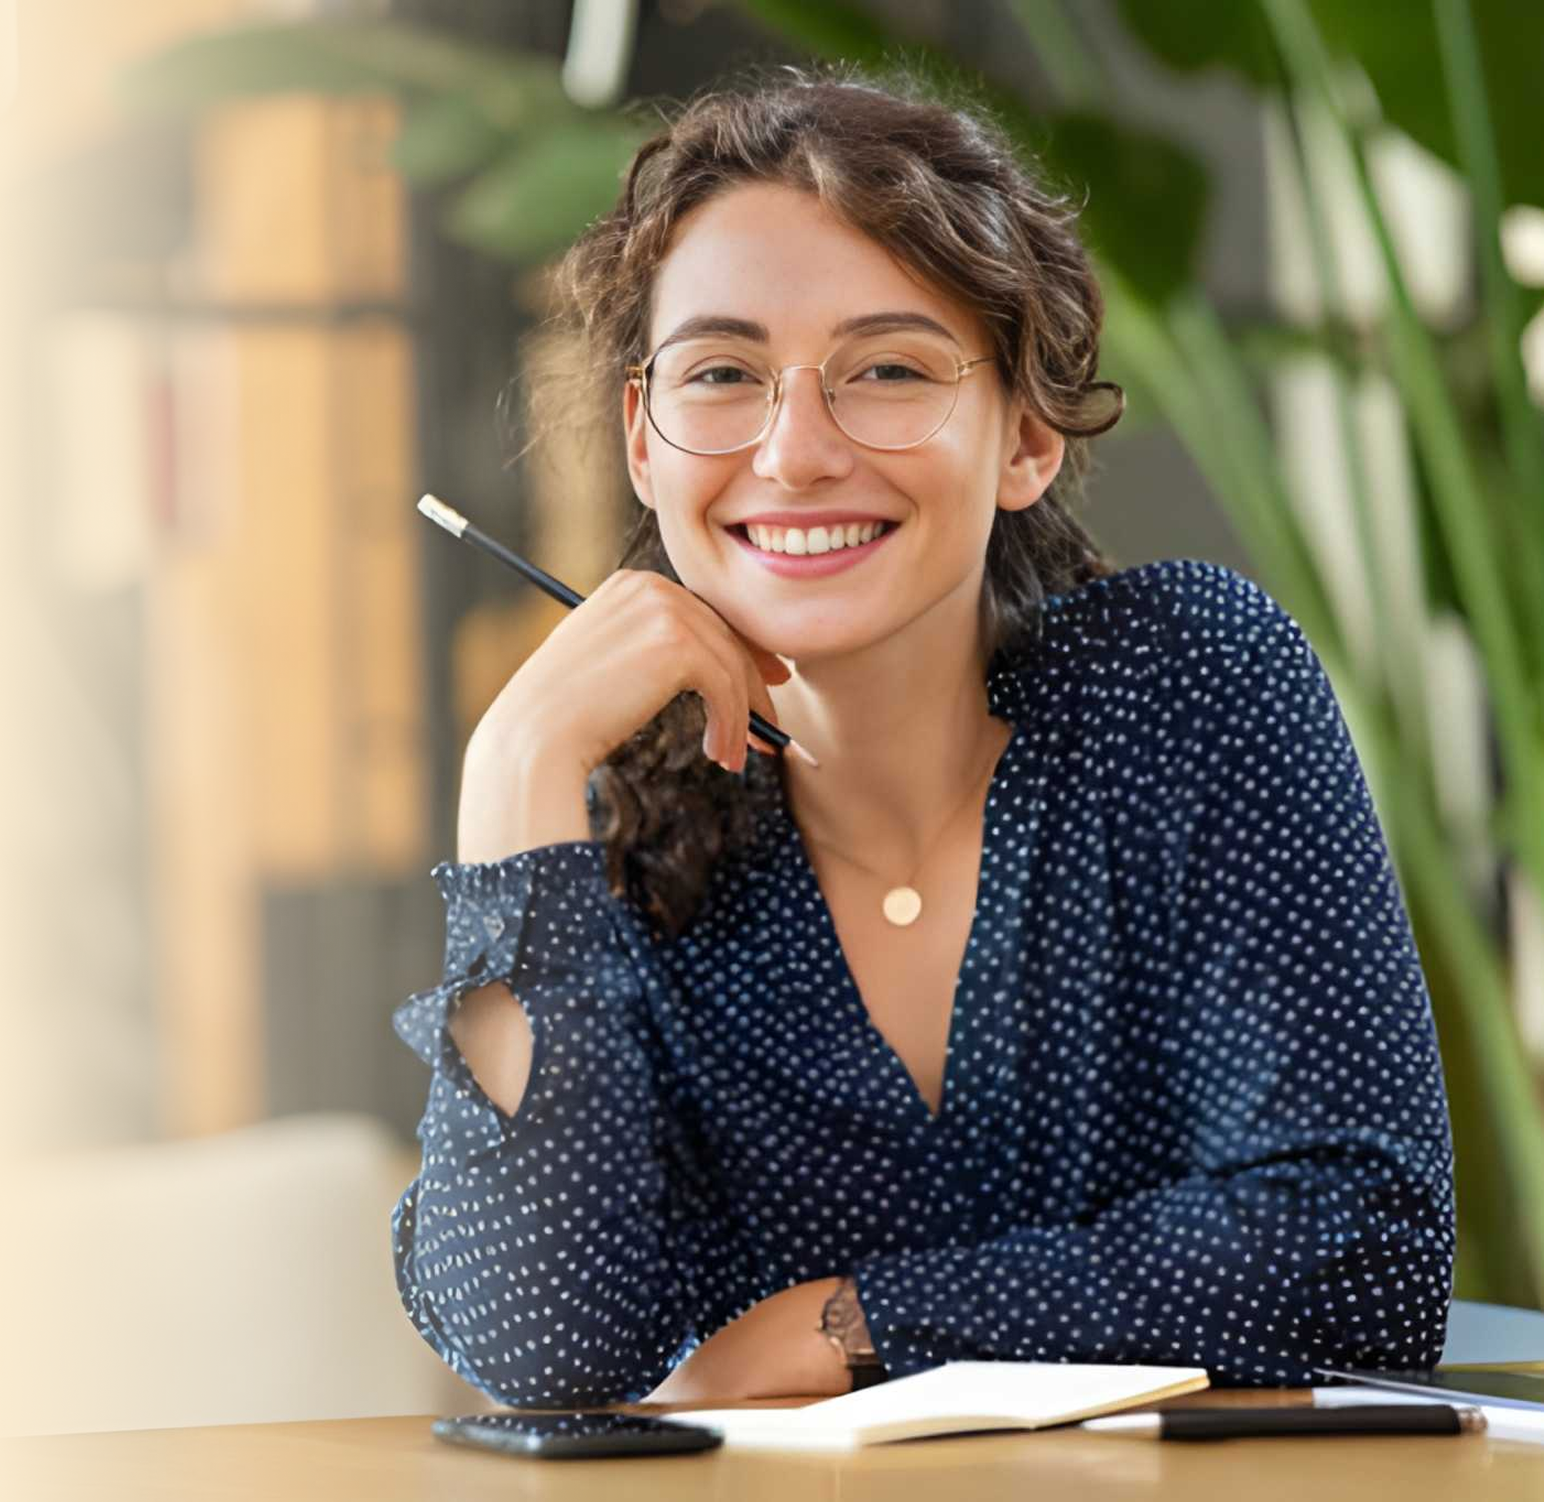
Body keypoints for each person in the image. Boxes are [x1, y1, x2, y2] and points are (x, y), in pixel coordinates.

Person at [389, 61, 1454, 1410]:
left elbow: (1361, 1247)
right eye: (721, 374)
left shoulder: (1184, 685)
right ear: (644, 445)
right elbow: (545, 1349)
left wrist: (852, 1323)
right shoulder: (599, 852)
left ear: (1023, 438)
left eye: (887, 369)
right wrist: (514, 768)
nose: (793, 452)